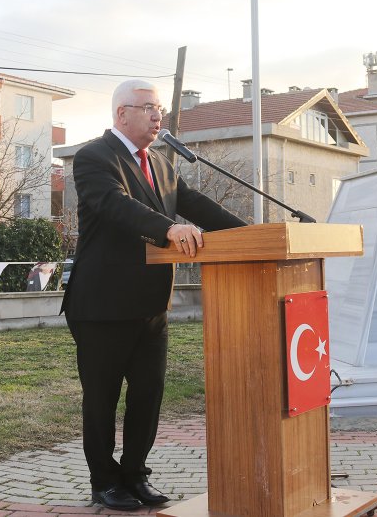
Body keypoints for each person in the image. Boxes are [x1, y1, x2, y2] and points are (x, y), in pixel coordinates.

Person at [60, 79, 246, 510]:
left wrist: (254, 235)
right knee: (102, 400)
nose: (157, 116)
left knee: (148, 394)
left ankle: (135, 475)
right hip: (102, 304)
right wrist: (167, 227)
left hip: (150, 305)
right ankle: (104, 482)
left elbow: (197, 205)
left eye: (158, 108)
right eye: (147, 108)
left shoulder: (161, 162)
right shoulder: (93, 157)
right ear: (121, 114)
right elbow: (114, 205)